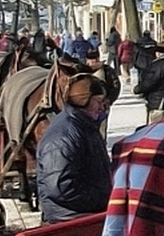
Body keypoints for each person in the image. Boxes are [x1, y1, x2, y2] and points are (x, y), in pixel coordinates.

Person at [35, 76, 113, 224]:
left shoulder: (85, 126)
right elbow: (61, 188)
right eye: (98, 101)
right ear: (84, 100)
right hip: (70, 220)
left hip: (82, 214)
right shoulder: (64, 136)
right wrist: (104, 197)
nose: (102, 107)